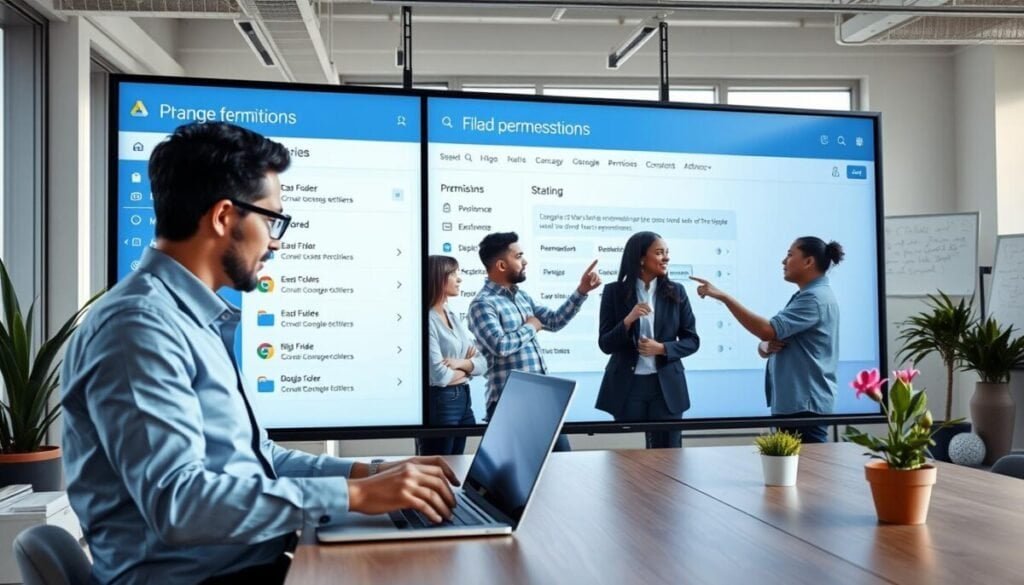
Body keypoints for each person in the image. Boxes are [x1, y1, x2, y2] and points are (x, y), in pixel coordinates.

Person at [60, 122, 459, 585]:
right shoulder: (139, 328)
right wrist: (354, 496)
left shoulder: (189, 318)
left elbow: (259, 458)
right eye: (271, 220)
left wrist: (369, 472)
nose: (276, 240)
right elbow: (179, 505)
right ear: (224, 217)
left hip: (245, 564)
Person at [690, 237, 844, 443]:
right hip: (794, 405)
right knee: (794, 472)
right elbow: (769, 341)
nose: (783, 262)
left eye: (790, 255)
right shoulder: (809, 295)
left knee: (807, 472)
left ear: (808, 262)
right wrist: (765, 346)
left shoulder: (814, 298)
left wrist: (724, 297)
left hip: (804, 408)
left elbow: (767, 330)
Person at [467, 231, 602, 452]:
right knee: (514, 477)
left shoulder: (522, 296)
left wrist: (582, 291)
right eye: (519, 256)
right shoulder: (482, 304)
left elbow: (555, 321)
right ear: (501, 265)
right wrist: (531, 327)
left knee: (562, 463)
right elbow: (500, 346)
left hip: (542, 401)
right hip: (509, 404)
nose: (525, 261)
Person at [596, 232, 700, 449]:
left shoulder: (677, 292)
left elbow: (692, 340)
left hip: (666, 388)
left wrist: (662, 348)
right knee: (629, 462)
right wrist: (628, 320)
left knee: (669, 455)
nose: (666, 258)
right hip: (628, 386)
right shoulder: (613, 292)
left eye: (667, 253)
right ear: (641, 258)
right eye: (659, 252)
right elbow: (605, 344)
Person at [421, 255, 487, 455]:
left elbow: (483, 363)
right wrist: (468, 369)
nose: (459, 279)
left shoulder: (450, 314)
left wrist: (458, 363)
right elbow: (439, 375)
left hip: (464, 403)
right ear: (437, 277)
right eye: (453, 273)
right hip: (441, 403)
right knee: (437, 468)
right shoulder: (427, 319)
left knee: (456, 466)